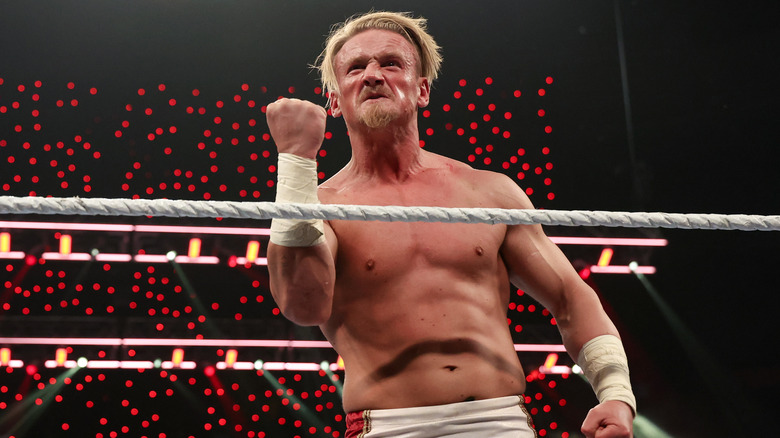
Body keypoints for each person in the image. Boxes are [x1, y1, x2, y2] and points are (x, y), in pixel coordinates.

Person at [265, 11, 636, 438]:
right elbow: (302, 305)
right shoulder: (322, 207)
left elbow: (571, 298)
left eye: (390, 63)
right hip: (389, 427)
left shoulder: (488, 193)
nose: (372, 75)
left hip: (499, 421)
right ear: (334, 101)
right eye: (354, 68)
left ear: (421, 90)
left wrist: (615, 391)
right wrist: (296, 160)